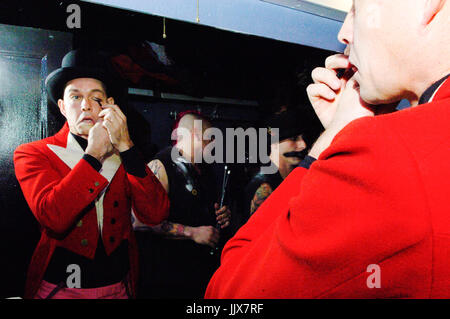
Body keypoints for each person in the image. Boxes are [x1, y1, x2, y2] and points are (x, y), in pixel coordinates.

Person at [205, 0, 450, 298]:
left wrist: (335, 137)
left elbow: (229, 293)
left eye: (358, 7)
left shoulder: (388, 155)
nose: (344, 33)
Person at [13, 50, 170, 299]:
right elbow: (53, 217)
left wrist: (126, 146)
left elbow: (155, 215)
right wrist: (94, 155)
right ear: (63, 107)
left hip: (119, 286)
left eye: (95, 98)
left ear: (109, 106)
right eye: (75, 97)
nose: (85, 104)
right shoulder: (34, 153)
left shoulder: (126, 154)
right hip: (61, 288)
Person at [133, 111, 231, 298]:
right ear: (193, 134)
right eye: (209, 138)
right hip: (166, 280)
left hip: (196, 276)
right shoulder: (160, 166)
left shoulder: (205, 170)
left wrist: (222, 215)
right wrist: (192, 233)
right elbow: (139, 221)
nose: (213, 144)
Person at [244, 108, 314, 219]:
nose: (303, 145)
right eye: (294, 139)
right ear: (273, 143)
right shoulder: (265, 186)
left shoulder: (295, 178)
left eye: (303, 138)